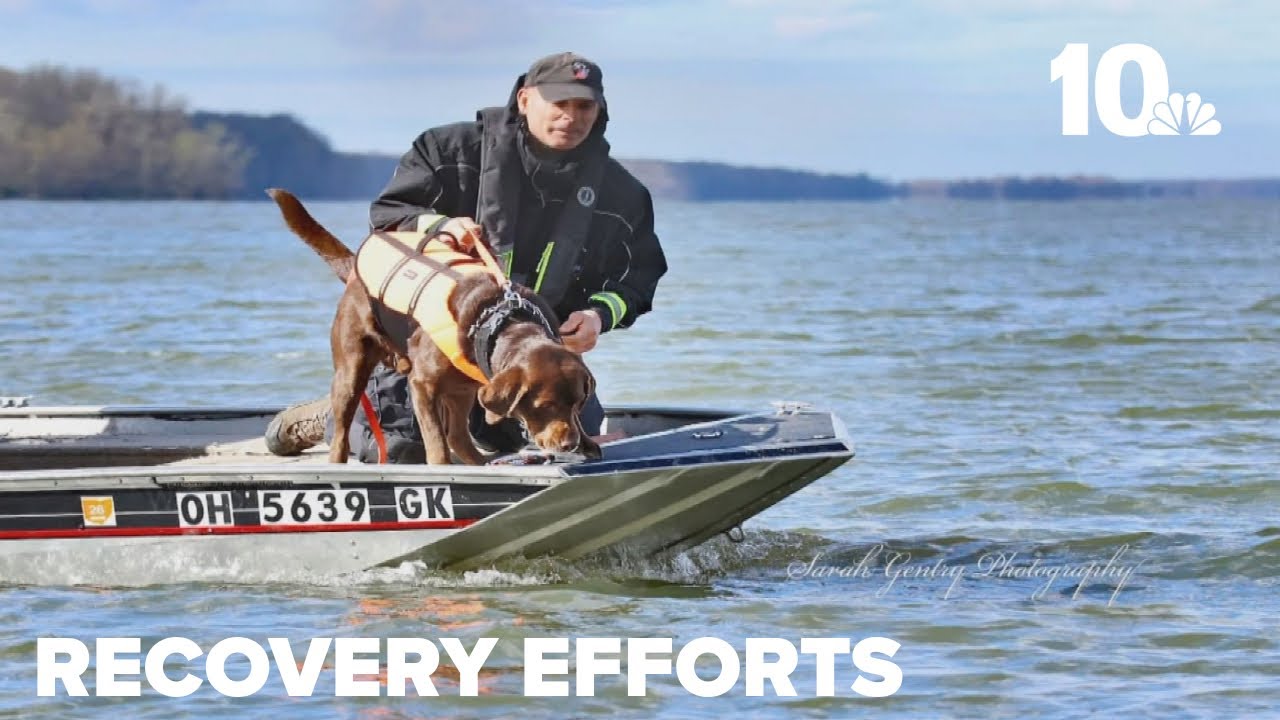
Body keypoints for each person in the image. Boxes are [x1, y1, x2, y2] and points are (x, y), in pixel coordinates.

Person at [266, 51, 667, 462]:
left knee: (555, 446)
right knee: (402, 451)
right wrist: (440, 228)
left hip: (528, 358)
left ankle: (488, 427)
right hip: (424, 343)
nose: (572, 116)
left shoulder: (623, 194)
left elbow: (638, 277)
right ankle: (330, 416)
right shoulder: (445, 150)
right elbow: (388, 217)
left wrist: (599, 315)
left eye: (584, 105)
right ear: (525, 100)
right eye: (559, 103)